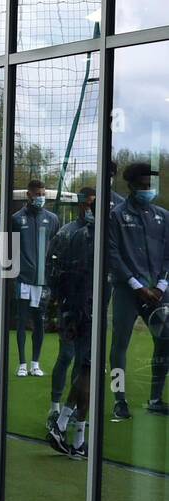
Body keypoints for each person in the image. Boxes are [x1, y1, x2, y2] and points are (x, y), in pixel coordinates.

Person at [106, 161, 169, 420]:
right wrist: (136, 284)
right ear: (131, 187)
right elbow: (112, 253)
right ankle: (119, 399)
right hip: (127, 291)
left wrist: (162, 284)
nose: (148, 190)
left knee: (164, 341)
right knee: (119, 345)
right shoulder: (116, 215)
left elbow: (167, 254)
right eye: (142, 186)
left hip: (158, 291)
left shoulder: (163, 216)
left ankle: (155, 398)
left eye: (150, 186)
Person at [0, 179, 58, 380]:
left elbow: (54, 246)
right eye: (37, 194)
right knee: (21, 320)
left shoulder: (52, 219)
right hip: (22, 278)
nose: (40, 198)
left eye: (43, 194)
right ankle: (22, 363)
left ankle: (35, 364)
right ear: (29, 195)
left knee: (39, 321)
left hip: (42, 280)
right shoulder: (16, 219)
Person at [46, 187, 96, 457]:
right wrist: (62, 306)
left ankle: (71, 430)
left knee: (86, 369)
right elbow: (57, 271)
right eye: (87, 204)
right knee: (79, 365)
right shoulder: (72, 234)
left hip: (79, 308)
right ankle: (64, 424)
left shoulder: (87, 235)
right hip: (80, 310)